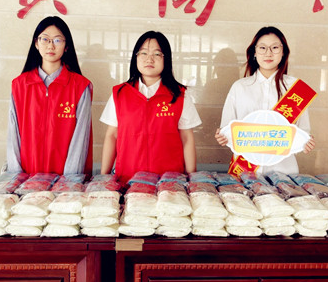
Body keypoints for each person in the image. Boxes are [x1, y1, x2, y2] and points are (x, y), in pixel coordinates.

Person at [100, 31, 201, 183]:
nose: (149, 59)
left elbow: (187, 138)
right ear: (135, 57)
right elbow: (112, 136)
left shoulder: (179, 95)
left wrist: (191, 178)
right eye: (144, 53)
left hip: (169, 182)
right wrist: (104, 177)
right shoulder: (119, 94)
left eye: (157, 54)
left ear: (166, 59)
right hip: (127, 180)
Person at [215, 26, 315, 175]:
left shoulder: (295, 88)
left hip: (284, 172)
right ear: (255, 52)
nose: (268, 53)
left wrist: (305, 143)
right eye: (262, 48)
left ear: (283, 51)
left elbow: (303, 132)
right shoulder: (240, 87)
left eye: (275, 47)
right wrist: (222, 137)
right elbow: (227, 129)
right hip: (245, 172)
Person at [7, 16, 93, 175]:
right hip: (27, 179)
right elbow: (13, 136)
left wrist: (69, 181)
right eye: (45, 39)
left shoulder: (80, 86)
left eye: (57, 40)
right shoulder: (19, 85)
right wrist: (17, 177)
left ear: (66, 46)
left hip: (66, 180)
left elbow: (81, 139)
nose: (50, 45)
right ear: (36, 43)